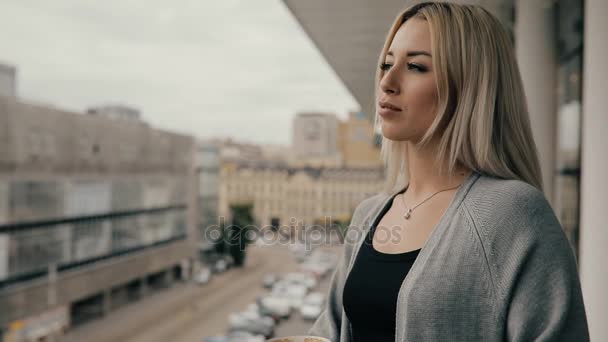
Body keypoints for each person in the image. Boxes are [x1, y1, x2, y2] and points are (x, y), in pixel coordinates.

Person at [308, 2, 589, 341]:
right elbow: (332, 329)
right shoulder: (369, 214)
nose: (388, 82)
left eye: (415, 66)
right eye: (386, 64)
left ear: (469, 86)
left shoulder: (512, 213)